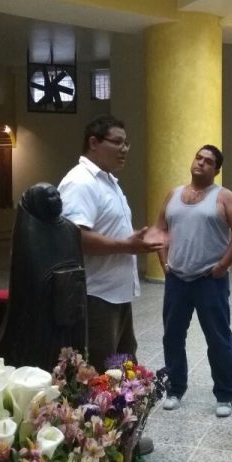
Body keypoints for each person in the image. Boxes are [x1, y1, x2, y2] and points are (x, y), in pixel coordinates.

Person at [58, 115, 163, 371]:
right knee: (100, 373)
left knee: (124, 371)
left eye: (126, 143)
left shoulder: (108, 181)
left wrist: (135, 239)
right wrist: (127, 246)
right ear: (93, 143)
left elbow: (109, 231)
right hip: (95, 296)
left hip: (116, 294)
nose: (124, 149)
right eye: (117, 142)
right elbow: (75, 236)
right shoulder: (80, 181)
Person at [154, 145, 232, 418]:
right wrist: (164, 263)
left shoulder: (224, 196)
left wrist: (222, 266)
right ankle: (174, 389)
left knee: (218, 338)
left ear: (216, 170)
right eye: (199, 158)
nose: (201, 163)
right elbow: (160, 228)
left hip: (210, 281)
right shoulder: (173, 195)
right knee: (172, 336)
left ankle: (225, 394)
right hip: (177, 280)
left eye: (208, 161)